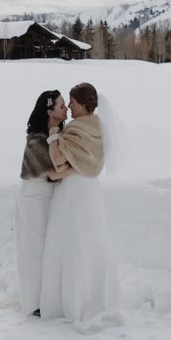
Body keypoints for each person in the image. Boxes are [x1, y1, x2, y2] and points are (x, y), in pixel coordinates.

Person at [39, 82, 119, 325]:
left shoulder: (75, 129)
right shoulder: (99, 128)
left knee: (69, 242)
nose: (70, 107)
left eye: (72, 102)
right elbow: (89, 164)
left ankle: (69, 301)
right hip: (90, 192)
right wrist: (64, 172)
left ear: (84, 104)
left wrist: (53, 132)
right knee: (89, 242)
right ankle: (92, 295)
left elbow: (58, 159)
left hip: (73, 194)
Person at [15, 90, 75, 317]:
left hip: (49, 198)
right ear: (50, 112)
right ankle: (34, 301)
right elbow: (52, 173)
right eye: (61, 106)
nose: (66, 109)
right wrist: (82, 167)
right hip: (34, 198)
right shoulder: (36, 140)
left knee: (49, 248)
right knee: (34, 250)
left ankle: (49, 295)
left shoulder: (58, 133)